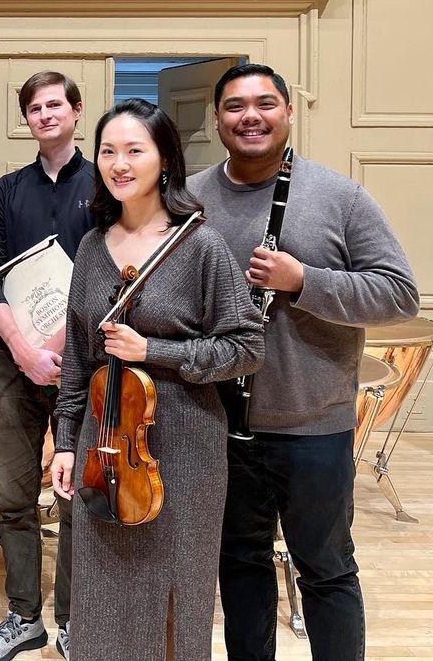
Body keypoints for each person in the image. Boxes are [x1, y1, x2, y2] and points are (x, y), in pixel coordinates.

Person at [188, 63, 419, 661]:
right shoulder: (189, 199)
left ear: (289, 113)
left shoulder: (340, 197)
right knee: (239, 564)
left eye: (265, 103)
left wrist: (303, 281)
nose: (251, 116)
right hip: (220, 424)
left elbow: (399, 295)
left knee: (326, 569)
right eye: (235, 106)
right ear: (217, 120)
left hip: (313, 424)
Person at [51, 98, 263, 661]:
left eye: (134, 150)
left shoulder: (200, 245)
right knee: (101, 589)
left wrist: (154, 351)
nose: (119, 164)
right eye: (107, 151)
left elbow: (246, 347)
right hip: (104, 443)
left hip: (185, 446)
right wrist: (66, 440)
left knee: (176, 590)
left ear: (165, 159)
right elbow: (78, 356)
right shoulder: (92, 246)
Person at [0, 71, 94, 661]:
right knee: (13, 493)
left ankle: (73, 620)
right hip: (14, 361)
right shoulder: (5, 192)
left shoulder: (106, 185)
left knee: (78, 497)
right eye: (34, 108)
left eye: (55, 105)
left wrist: (60, 347)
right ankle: (24, 616)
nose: (45, 115)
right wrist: (24, 349)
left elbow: (112, 274)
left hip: (86, 363)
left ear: (76, 110)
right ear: (26, 119)